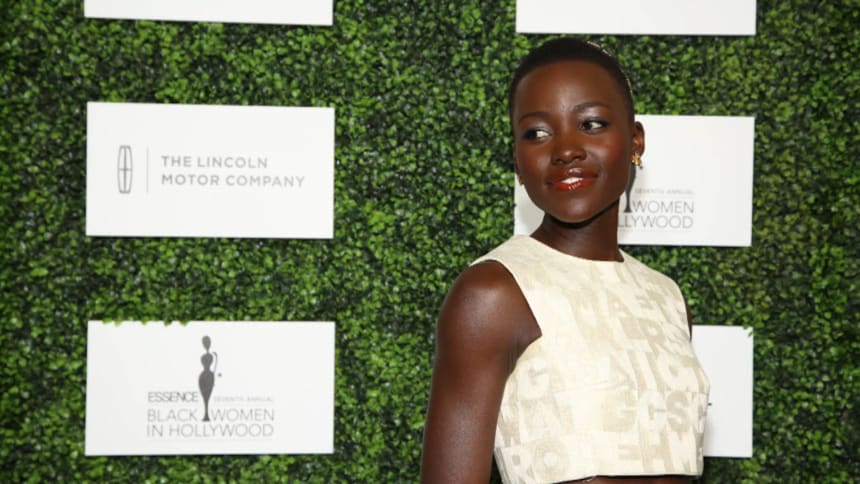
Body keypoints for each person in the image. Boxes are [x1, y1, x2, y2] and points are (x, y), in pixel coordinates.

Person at [421, 38, 710, 483]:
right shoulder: (494, 294)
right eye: (537, 133)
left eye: (591, 124)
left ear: (635, 140)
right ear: (516, 161)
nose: (566, 150)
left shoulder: (666, 297)